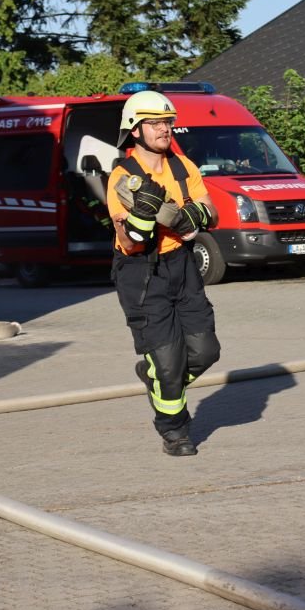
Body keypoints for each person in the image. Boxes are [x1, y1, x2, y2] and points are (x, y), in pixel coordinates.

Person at [107, 90, 221, 456]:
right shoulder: (123, 178)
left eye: (168, 122)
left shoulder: (182, 167)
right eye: (155, 122)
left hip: (182, 266)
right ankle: (175, 432)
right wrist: (141, 215)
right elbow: (130, 240)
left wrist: (195, 216)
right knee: (169, 364)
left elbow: (211, 212)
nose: (164, 129)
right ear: (135, 130)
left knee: (206, 352)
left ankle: (155, 375)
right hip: (142, 273)